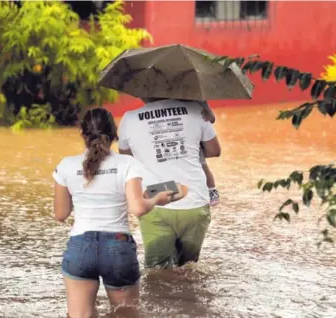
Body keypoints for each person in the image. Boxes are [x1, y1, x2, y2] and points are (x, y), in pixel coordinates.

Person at [52, 108, 183, 317]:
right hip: (118, 246)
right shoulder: (127, 164)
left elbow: (61, 214)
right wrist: (156, 199)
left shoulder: (65, 166)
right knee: (125, 315)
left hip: (80, 247)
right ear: (114, 135)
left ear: (82, 134)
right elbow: (138, 208)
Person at [118, 98, 221, 269]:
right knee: (188, 268)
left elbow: (126, 160)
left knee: (156, 272)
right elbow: (214, 151)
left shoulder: (129, 118)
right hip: (194, 200)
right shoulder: (197, 110)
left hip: (154, 201)